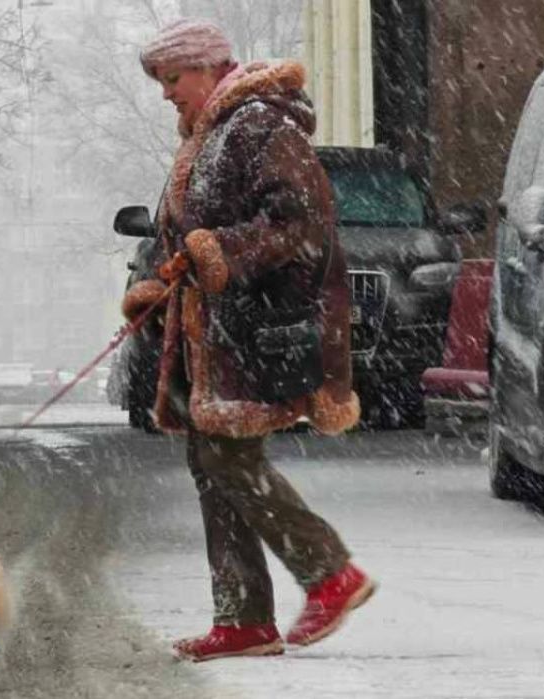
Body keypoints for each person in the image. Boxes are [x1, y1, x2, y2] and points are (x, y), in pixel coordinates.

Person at [123, 19, 374, 662]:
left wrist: (218, 253)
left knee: (229, 460)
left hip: (253, 326)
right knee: (212, 465)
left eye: (172, 79)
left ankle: (330, 574)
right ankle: (243, 620)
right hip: (213, 333)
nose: (166, 94)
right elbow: (178, 233)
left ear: (206, 68)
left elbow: (300, 222)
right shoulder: (206, 136)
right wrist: (157, 283)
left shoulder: (262, 125)